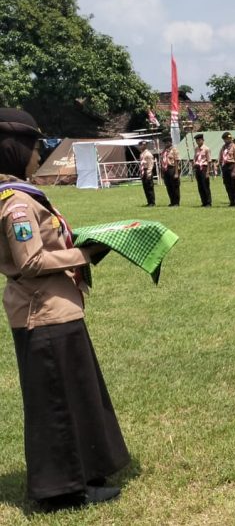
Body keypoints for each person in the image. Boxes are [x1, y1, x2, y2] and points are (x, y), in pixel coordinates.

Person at [0, 108, 126, 510]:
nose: (40, 155)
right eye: (35, 147)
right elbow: (31, 261)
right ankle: (61, 491)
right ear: (15, 150)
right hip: (42, 313)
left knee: (76, 395)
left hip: (57, 310)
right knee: (56, 403)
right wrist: (82, 254)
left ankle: (86, 471)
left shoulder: (20, 193)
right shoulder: (16, 203)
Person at [220, 132, 235, 206]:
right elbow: (221, 157)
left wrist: (234, 171)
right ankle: (232, 201)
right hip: (225, 166)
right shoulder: (223, 147)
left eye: (229, 138)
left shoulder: (234, 147)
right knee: (227, 184)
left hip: (233, 165)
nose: (228, 140)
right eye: (226, 139)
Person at [158, 136, 181, 206]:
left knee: (175, 186)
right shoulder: (164, 151)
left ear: (170, 142)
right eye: (165, 143)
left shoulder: (174, 150)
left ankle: (176, 202)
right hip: (166, 169)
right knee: (169, 186)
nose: (166, 144)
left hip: (172, 168)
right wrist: (162, 172)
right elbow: (162, 162)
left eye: (167, 142)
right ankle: (172, 201)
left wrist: (176, 172)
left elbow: (177, 161)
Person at [192, 133, 212, 207]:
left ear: (203, 140)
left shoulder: (206, 149)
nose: (198, 142)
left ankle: (208, 202)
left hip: (204, 168)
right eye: (197, 140)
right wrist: (194, 163)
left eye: (199, 140)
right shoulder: (196, 149)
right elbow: (195, 158)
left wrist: (208, 172)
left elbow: (209, 161)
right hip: (198, 168)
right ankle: (203, 201)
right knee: (200, 186)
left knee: (205, 186)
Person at [138, 140, 156, 207]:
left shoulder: (148, 154)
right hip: (143, 171)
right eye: (141, 145)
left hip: (147, 171)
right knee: (145, 187)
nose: (142, 146)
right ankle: (149, 201)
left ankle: (152, 202)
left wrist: (149, 173)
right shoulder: (142, 154)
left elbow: (151, 164)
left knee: (149, 187)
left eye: (143, 145)